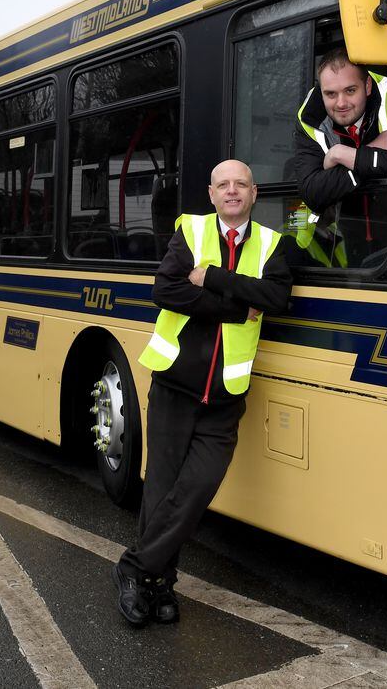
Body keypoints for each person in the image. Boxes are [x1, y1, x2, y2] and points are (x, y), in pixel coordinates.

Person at [113, 159, 292, 627]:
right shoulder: (189, 231)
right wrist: (235, 308)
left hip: (225, 397)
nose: (232, 191)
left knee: (196, 490)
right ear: (211, 194)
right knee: (163, 488)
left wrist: (210, 277)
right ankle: (157, 585)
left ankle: (134, 568)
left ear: (254, 193)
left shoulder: (274, 244)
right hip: (175, 384)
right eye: (223, 185)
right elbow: (165, 291)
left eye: (241, 184)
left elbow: (276, 298)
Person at [290, 48, 387, 266]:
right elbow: (312, 192)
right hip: (346, 243)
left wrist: (339, 157)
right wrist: (371, 155)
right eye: (331, 94)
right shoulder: (309, 118)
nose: (340, 103)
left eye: (350, 91)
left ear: (366, 87)